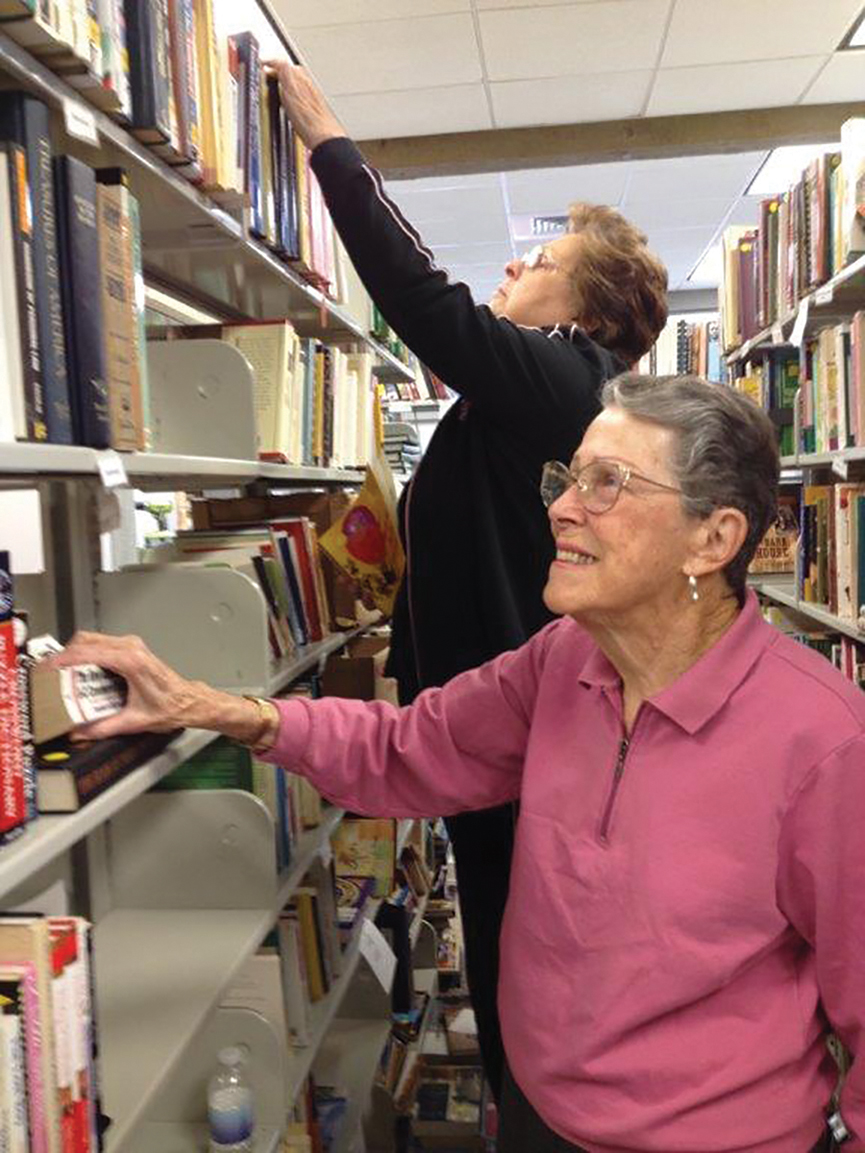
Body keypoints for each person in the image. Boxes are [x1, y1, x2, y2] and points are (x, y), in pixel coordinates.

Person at [60, 374, 862, 1153]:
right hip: (537, 1116)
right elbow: (409, 749)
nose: (559, 507)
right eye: (568, 476)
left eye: (607, 483)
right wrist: (214, 707)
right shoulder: (562, 660)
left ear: (711, 538)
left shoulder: (823, 742)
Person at [265, 61, 669, 1098]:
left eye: (538, 259)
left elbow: (424, 302)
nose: (512, 267)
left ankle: (538, 1109)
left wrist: (328, 146)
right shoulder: (541, 391)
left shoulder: (569, 375)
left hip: (513, 736)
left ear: (586, 308)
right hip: (491, 722)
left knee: (519, 950)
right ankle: (528, 1100)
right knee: (508, 941)